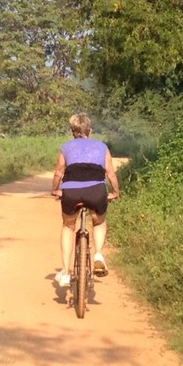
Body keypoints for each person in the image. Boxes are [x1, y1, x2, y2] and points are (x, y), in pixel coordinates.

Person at [51, 113, 119, 288]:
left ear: (72, 131)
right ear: (90, 130)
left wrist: (55, 190)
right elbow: (110, 174)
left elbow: (59, 173)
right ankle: (98, 254)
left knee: (68, 225)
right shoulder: (102, 147)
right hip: (96, 191)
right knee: (98, 221)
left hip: (71, 192)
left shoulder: (66, 147)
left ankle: (66, 272)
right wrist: (115, 192)